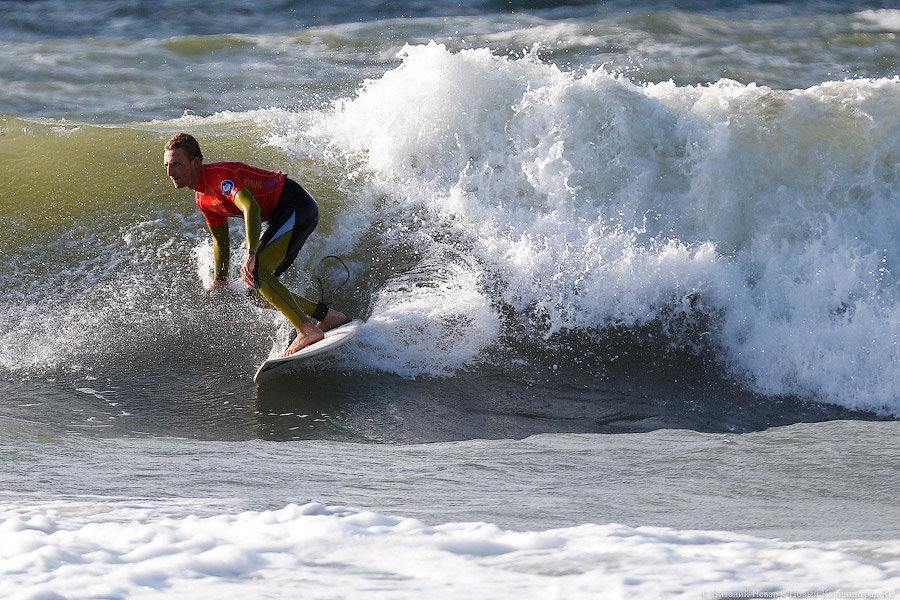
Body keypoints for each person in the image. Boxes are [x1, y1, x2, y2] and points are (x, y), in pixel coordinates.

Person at [163, 132, 347, 357]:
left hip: (296, 207)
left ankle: (307, 330)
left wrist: (251, 254)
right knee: (256, 290)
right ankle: (327, 316)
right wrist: (220, 280)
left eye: (176, 164)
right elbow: (220, 240)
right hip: (282, 217)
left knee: (256, 271)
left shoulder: (220, 178)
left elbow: (251, 207)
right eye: (167, 166)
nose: (170, 172)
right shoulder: (203, 199)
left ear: (195, 162)